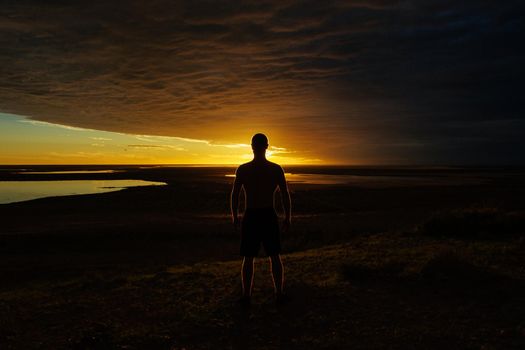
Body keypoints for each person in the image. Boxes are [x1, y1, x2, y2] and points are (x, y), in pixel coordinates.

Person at [230, 133, 291, 306]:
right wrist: (287, 217)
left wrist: (235, 216)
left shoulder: (243, 169)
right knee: (273, 256)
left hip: (253, 215)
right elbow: (285, 195)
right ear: (267, 146)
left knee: (250, 257)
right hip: (266, 215)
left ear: (252, 146)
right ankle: (277, 293)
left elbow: (235, 195)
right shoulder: (275, 169)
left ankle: (247, 296)